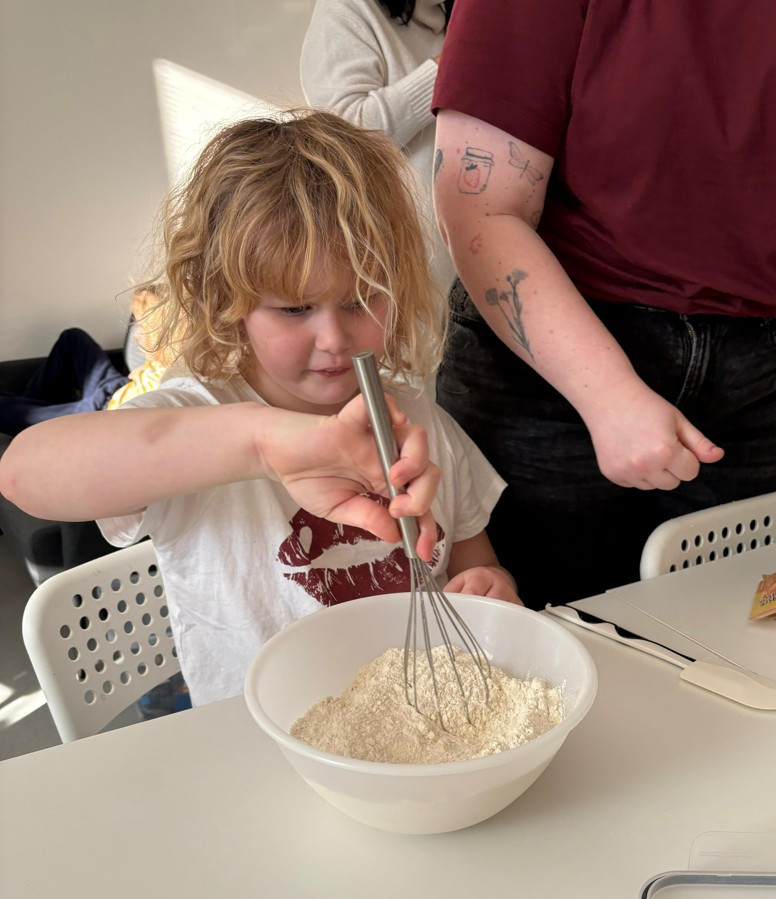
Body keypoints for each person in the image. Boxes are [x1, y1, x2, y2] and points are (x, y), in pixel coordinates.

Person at [0, 110, 519, 707]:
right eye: (294, 309)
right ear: (228, 302)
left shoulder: (418, 418)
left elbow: (470, 555)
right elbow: (25, 474)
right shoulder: (195, 416)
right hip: (252, 729)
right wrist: (262, 443)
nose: (334, 339)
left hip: (421, 714)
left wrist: (490, 585)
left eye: (361, 299)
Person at [431, 1, 776, 609]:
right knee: (531, 636)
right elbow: (481, 207)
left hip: (756, 364)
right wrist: (607, 394)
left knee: (714, 633)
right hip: (551, 355)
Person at [301, 0, 456, 294]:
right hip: (393, 256)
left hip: (458, 248)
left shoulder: (453, 16)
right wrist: (448, 69)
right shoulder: (345, 7)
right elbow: (344, 135)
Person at [0, 287, 174, 436]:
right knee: (72, 338)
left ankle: (34, 415)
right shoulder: (162, 356)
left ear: (157, 331)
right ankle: (36, 409)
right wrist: (141, 372)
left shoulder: (176, 378)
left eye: (141, 327)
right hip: (116, 387)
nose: (135, 334)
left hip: (103, 412)